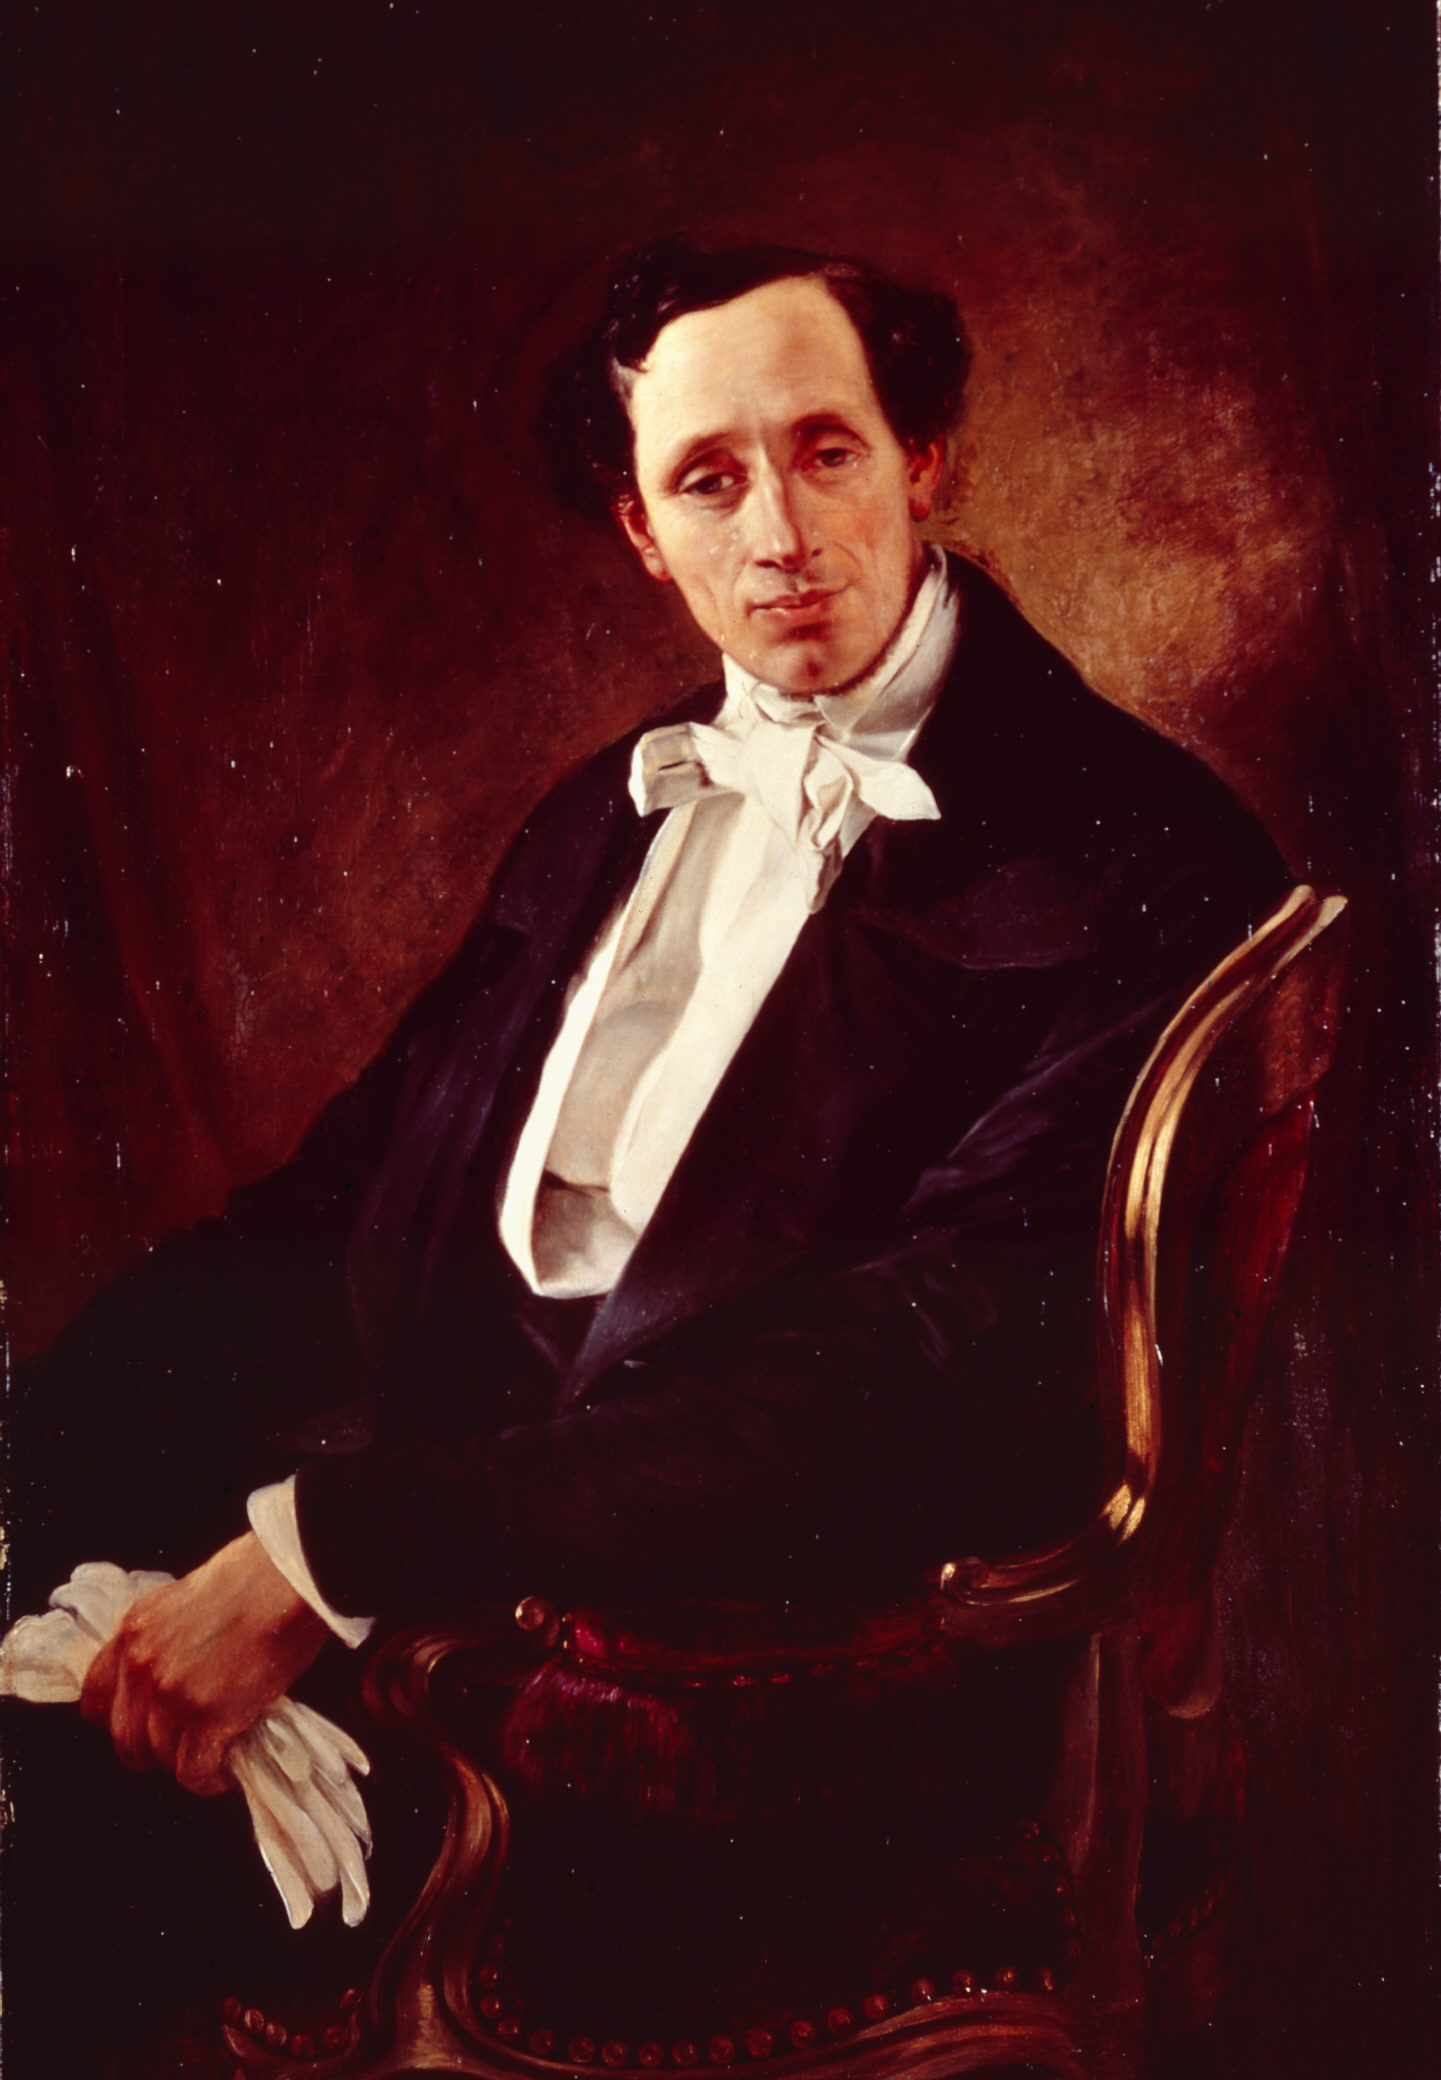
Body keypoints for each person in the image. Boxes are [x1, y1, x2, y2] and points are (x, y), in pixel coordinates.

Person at [8, 236, 1291, 2061]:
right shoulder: (599, 816)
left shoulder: (1140, 854)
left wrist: (320, 1559)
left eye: (825, 452)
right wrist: (45, 1429)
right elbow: (344, 1201)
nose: (778, 532)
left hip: (774, 1668)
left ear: (922, 462)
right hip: (479, 1548)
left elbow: (914, 1380)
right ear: (638, 529)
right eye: (706, 480)